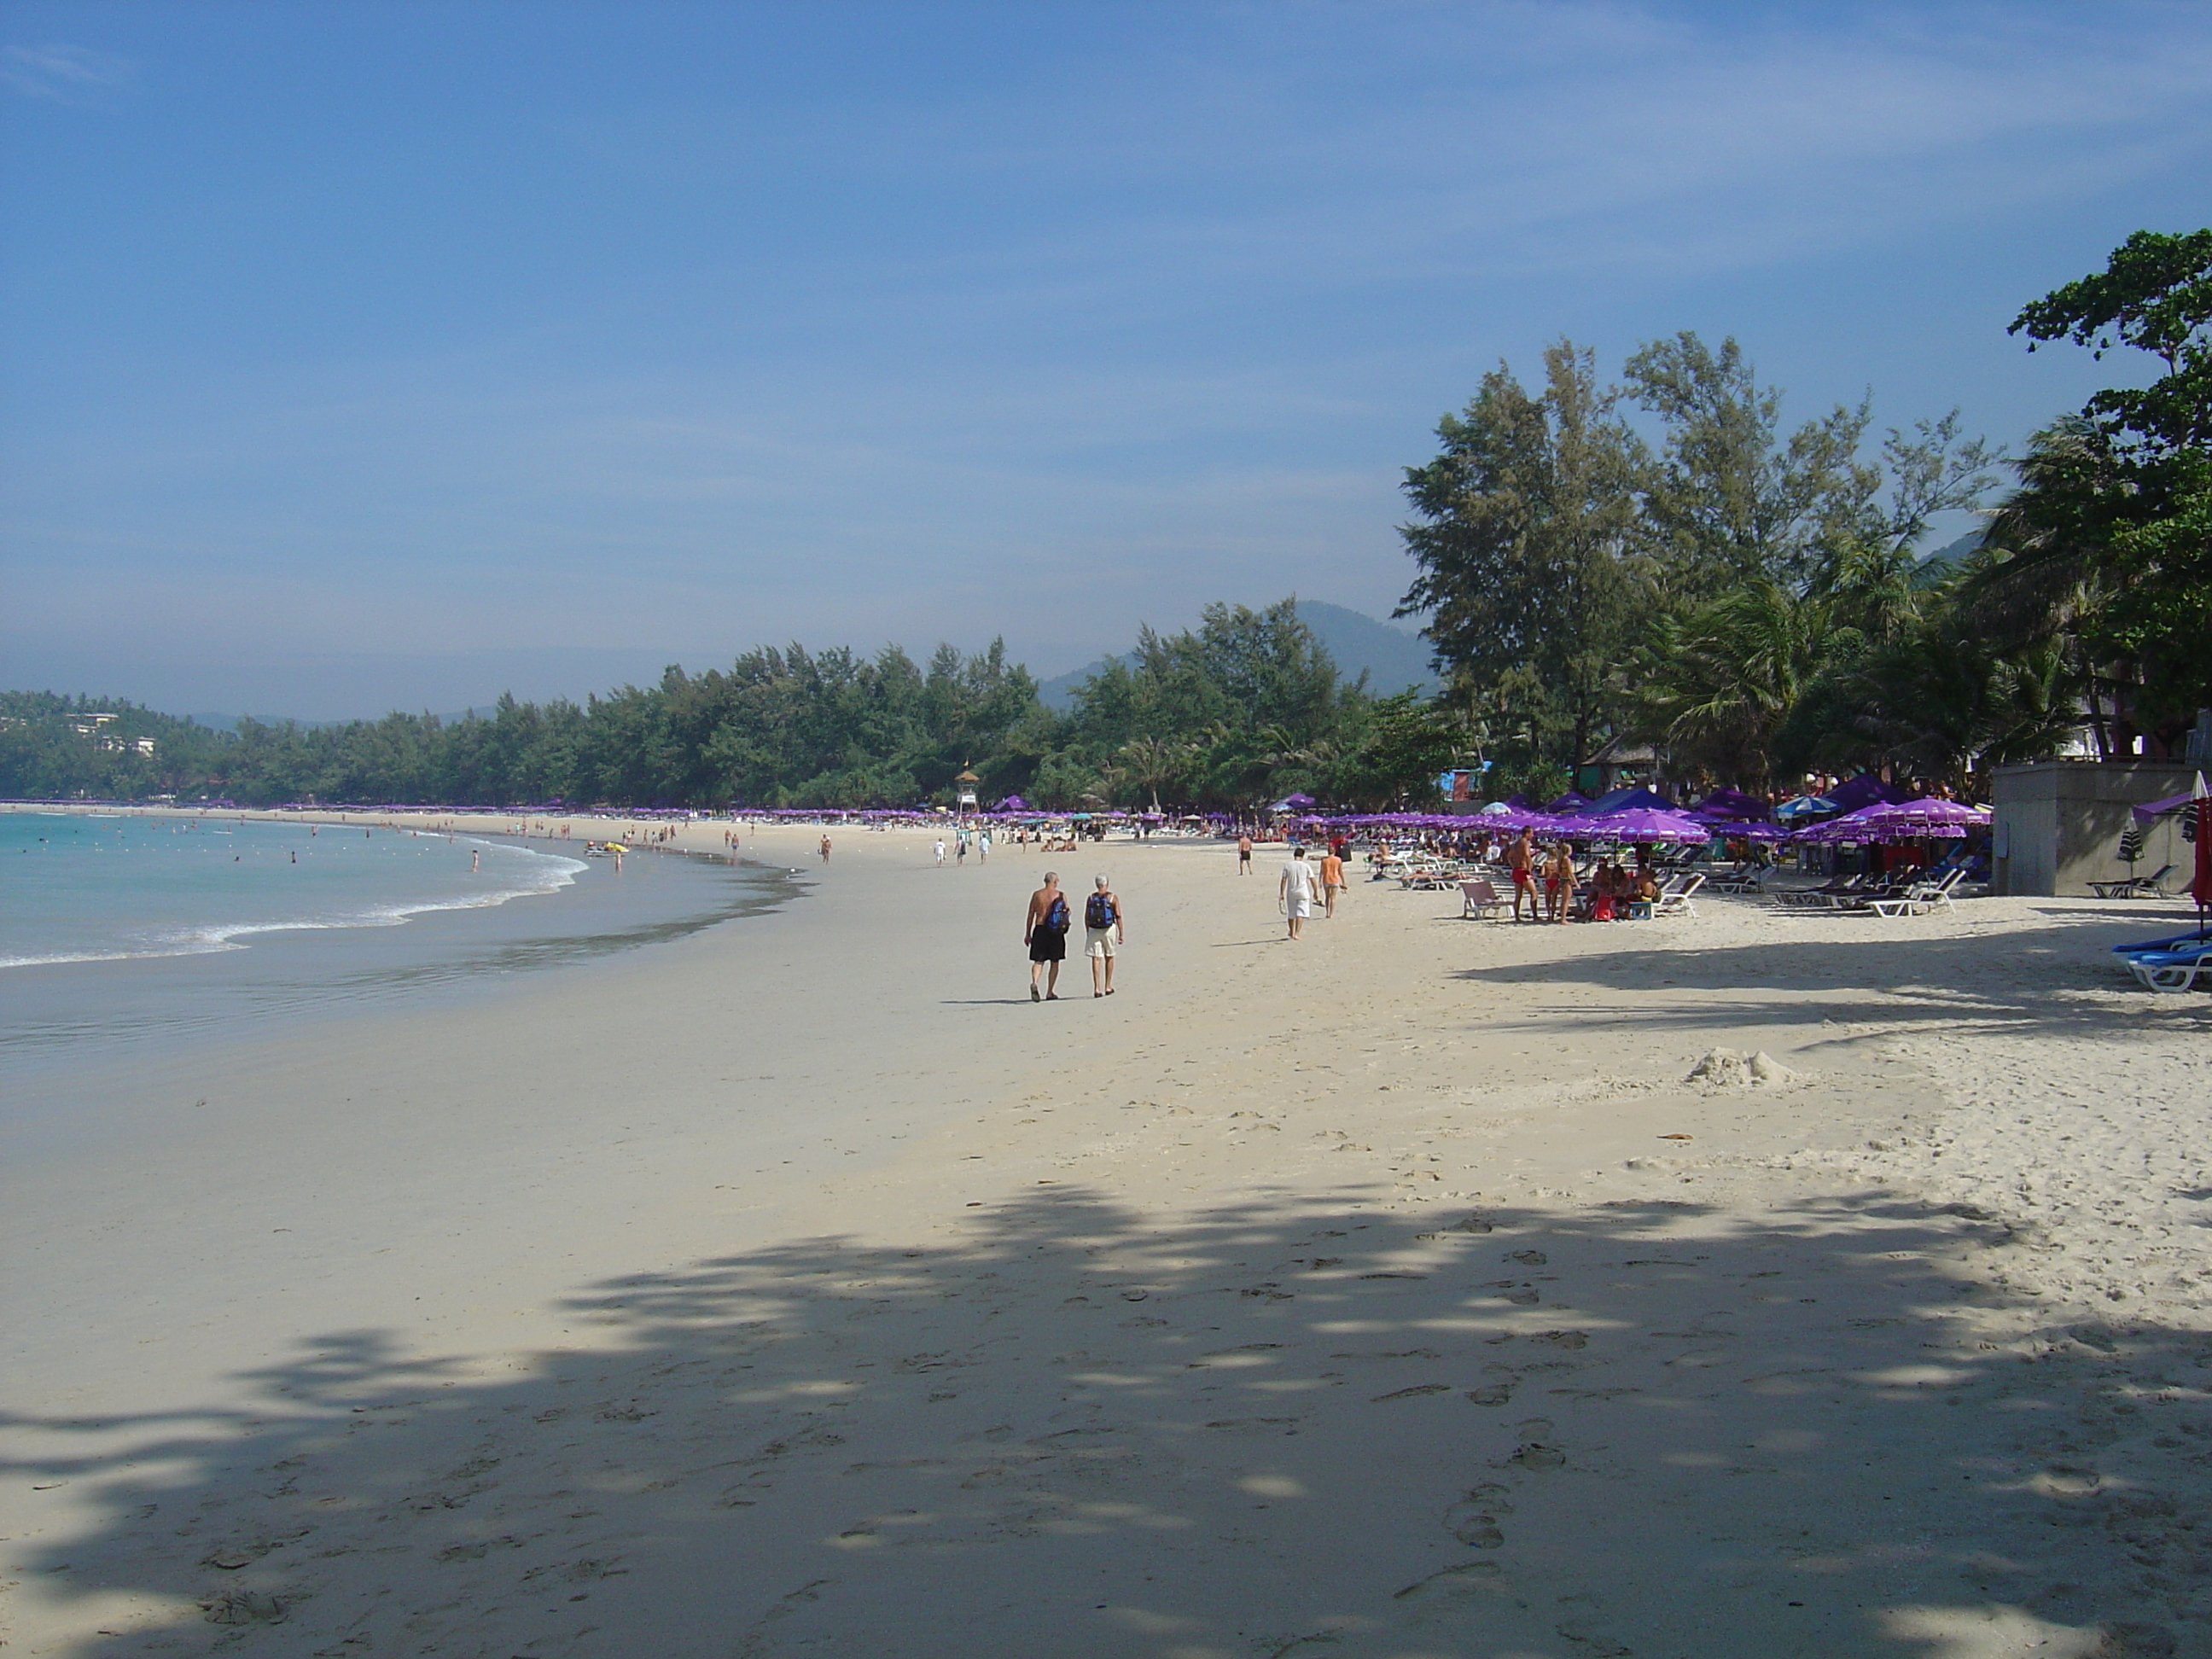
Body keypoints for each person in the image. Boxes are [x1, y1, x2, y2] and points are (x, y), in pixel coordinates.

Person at [1025, 870, 1071, 1001]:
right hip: (1055, 931)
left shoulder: (1037, 895)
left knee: (1038, 961)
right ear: (1055, 882)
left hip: (1040, 928)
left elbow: (1030, 915)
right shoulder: (1060, 895)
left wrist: (1028, 933)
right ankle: (1050, 991)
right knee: (1055, 961)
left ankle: (1035, 982)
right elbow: (1067, 912)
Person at [1083, 874, 1125, 997]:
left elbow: (1086, 917)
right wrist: (1121, 933)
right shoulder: (1112, 898)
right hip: (1109, 929)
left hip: (1094, 929)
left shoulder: (1091, 898)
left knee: (1096, 958)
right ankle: (1108, 986)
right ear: (1107, 884)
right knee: (1109, 956)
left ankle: (1097, 988)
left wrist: (1088, 931)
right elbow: (1118, 916)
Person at [1279, 845, 1319, 940]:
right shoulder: (1305, 866)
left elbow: (1284, 880)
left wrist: (1281, 892)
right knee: (1300, 913)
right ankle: (1296, 933)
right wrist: (1316, 892)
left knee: (1291, 913)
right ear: (1303, 856)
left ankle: (1291, 931)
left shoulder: (1288, 865)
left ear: (1294, 855)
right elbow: (1312, 879)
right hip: (1303, 891)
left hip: (1291, 891)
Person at [1505, 828, 1535, 921]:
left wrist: (1514, 865)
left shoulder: (1517, 843)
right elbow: (1527, 855)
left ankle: (1517, 916)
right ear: (1527, 833)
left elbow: (1509, 856)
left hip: (1517, 870)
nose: (1532, 835)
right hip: (1524, 870)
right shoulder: (1525, 842)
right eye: (1531, 833)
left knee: (1518, 895)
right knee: (1534, 893)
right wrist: (1530, 867)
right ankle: (1535, 915)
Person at [1319, 844, 1348, 917]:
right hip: (1335, 879)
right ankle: (1331, 914)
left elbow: (1321, 871)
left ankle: (1327, 912)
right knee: (1333, 897)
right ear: (1334, 851)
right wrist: (1343, 881)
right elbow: (1340, 871)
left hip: (1326, 879)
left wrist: (1319, 881)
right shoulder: (1338, 860)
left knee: (1327, 897)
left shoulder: (1324, 860)